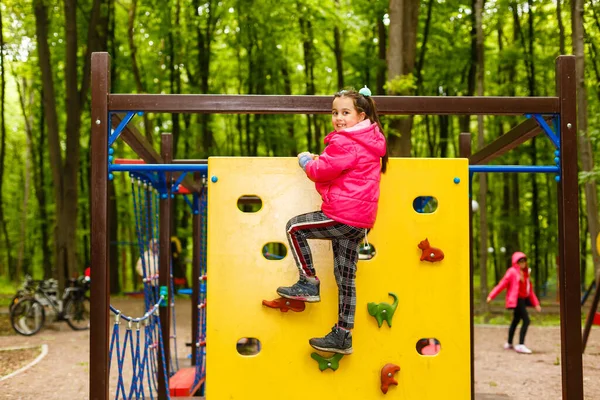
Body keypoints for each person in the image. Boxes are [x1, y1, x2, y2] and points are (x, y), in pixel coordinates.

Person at [276, 86, 388, 355]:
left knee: (295, 227)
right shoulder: (370, 141)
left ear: (360, 116)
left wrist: (306, 161)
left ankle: (308, 281)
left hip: (342, 216)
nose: (338, 118)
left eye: (345, 112)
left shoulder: (346, 142)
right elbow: (339, 169)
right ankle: (343, 335)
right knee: (345, 277)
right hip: (360, 222)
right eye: (335, 112)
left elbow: (320, 172)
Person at [487, 251, 542, 354]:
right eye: (520, 261)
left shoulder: (525, 274)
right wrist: (491, 295)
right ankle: (521, 345)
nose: (523, 263)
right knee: (526, 320)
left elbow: (529, 291)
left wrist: (536, 304)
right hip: (516, 300)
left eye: (524, 261)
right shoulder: (512, 272)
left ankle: (509, 343)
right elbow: (502, 284)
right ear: (515, 262)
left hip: (522, 300)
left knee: (516, 320)